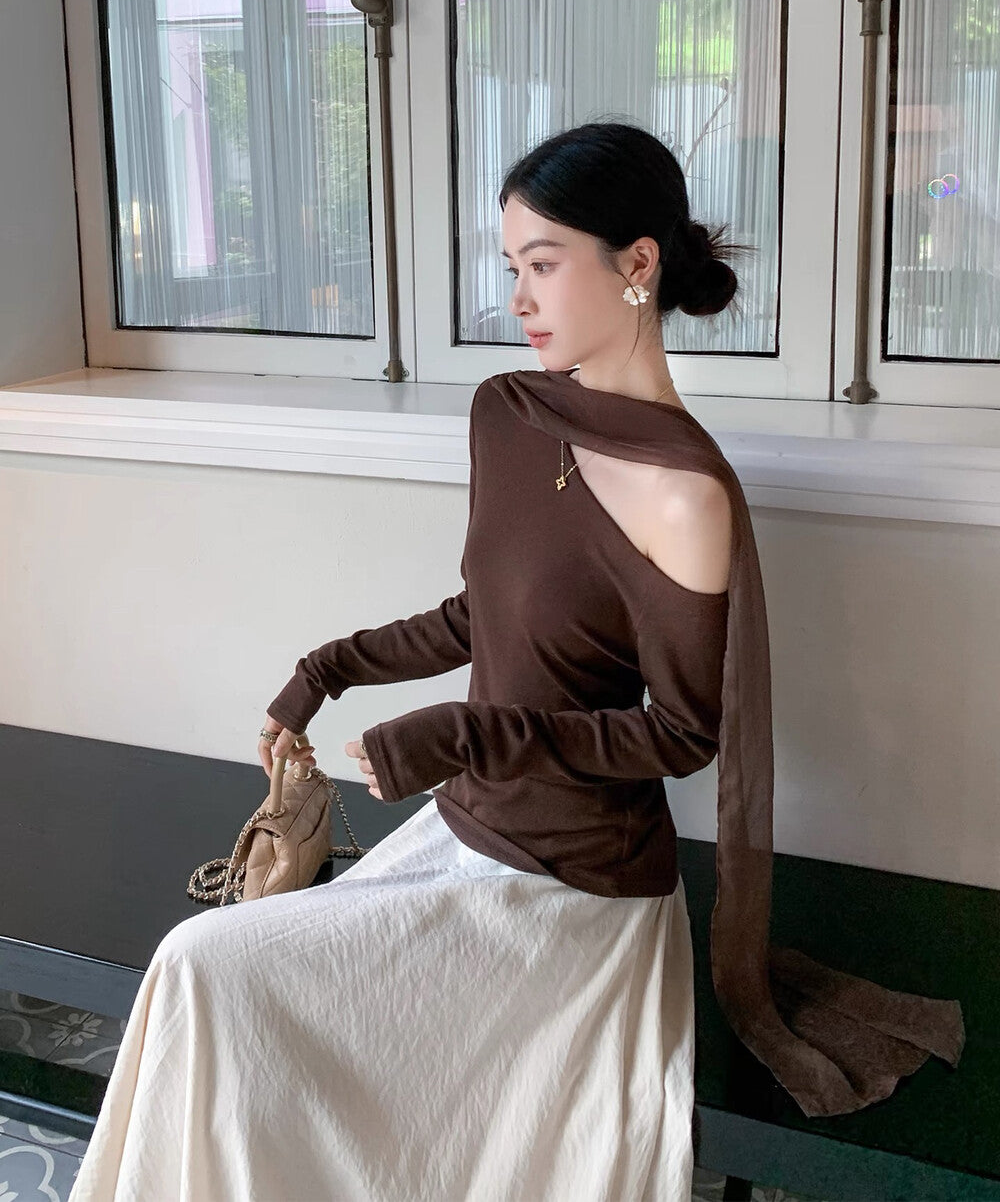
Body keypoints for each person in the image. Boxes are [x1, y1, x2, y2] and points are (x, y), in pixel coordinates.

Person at [69, 120, 962, 1202]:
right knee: (209, 975)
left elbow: (682, 734)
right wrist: (325, 669)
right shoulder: (510, 412)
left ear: (637, 264)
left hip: (575, 888)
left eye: (542, 265)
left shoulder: (686, 495)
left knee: (207, 970)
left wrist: (464, 733)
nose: (517, 299)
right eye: (511, 269)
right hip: (465, 831)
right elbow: (481, 615)